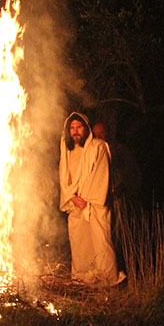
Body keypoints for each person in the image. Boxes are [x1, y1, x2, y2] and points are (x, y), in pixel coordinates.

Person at [59, 112, 122, 285]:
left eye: (79, 127)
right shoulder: (67, 149)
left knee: (101, 242)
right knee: (80, 244)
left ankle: (107, 280)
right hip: (75, 205)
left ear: (86, 128)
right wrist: (72, 197)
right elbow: (63, 176)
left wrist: (85, 199)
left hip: (94, 204)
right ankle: (83, 279)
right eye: (72, 128)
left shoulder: (98, 147)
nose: (75, 131)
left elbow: (101, 175)